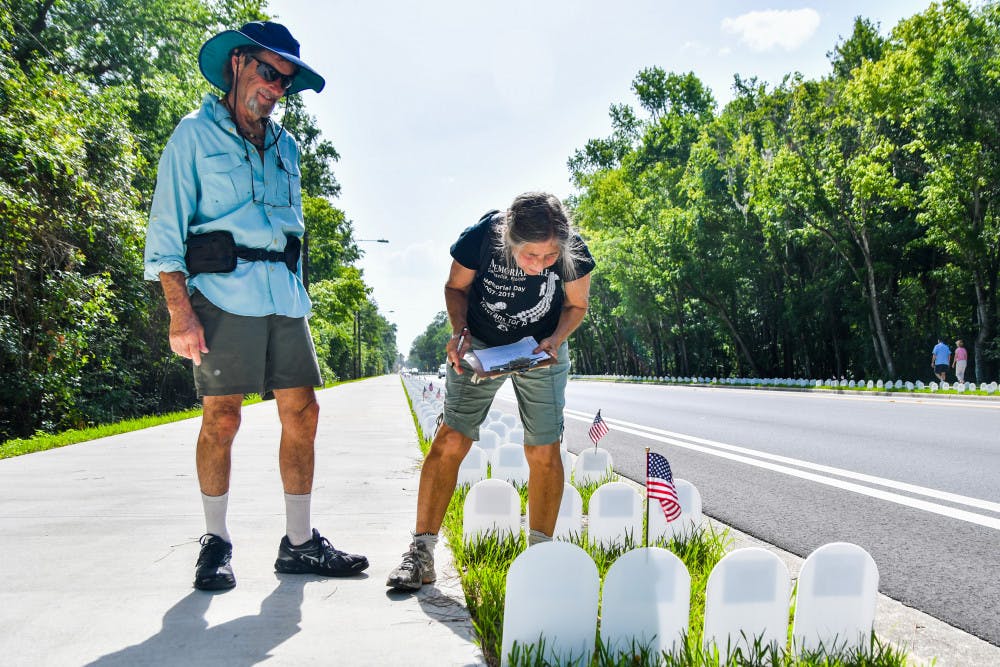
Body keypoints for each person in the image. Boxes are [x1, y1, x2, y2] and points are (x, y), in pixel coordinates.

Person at [144, 21, 368, 591]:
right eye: (269, 73)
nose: (275, 89)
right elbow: (165, 234)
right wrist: (180, 311)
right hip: (220, 293)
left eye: (285, 81)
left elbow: (291, 231)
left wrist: (301, 294)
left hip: (283, 295)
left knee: (304, 412)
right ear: (240, 63)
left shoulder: (287, 146)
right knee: (222, 418)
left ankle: (299, 545)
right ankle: (215, 543)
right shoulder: (192, 136)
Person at [386, 192, 595, 591]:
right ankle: (421, 553)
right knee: (451, 439)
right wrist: (459, 331)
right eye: (530, 256)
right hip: (480, 342)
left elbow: (575, 306)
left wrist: (556, 338)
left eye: (549, 257)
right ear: (509, 240)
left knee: (544, 448)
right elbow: (455, 288)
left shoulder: (575, 250)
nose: (540, 266)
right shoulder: (483, 236)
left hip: (541, 347)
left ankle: (539, 558)